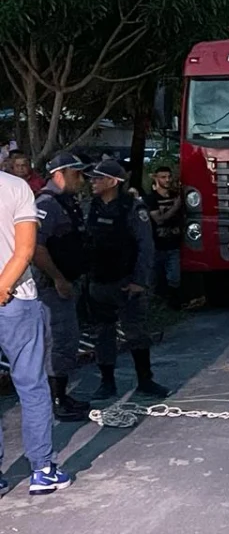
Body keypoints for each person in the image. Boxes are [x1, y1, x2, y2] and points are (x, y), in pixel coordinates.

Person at [0, 168, 72, 496]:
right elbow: (25, 250)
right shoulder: (15, 188)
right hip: (17, 299)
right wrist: (2, 286)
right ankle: (42, 470)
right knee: (31, 386)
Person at [85, 160, 169, 400]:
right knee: (102, 335)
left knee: (136, 333)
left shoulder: (133, 208)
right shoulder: (92, 207)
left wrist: (140, 282)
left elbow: (146, 247)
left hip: (127, 283)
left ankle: (145, 380)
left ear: (113, 182)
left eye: (99, 178)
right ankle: (107, 382)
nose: (93, 182)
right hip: (99, 283)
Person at [33, 152, 92, 421]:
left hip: (68, 283)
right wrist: (57, 278)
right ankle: (56, 401)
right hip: (53, 287)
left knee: (67, 340)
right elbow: (36, 246)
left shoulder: (67, 202)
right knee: (58, 342)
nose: (81, 179)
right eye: (76, 174)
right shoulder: (47, 204)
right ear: (59, 174)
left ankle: (62, 395)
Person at [143, 166, 184, 309]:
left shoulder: (175, 195)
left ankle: (172, 305)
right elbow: (159, 219)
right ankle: (152, 306)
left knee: (174, 278)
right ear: (155, 178)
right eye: (163, 177)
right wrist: (176, 206)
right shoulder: (151, 199)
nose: (167, 180)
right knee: (153, 278)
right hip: (157, 245)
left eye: (168, 177)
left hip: (174, 244)